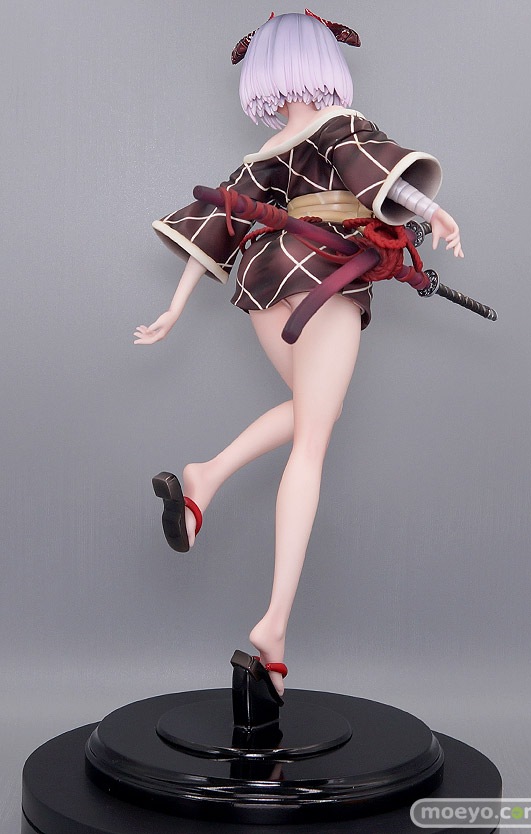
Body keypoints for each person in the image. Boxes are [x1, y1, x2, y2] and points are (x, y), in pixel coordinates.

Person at [134, 12, 463, 697]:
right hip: (324, 276)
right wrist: (432, 212)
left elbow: (220, 220)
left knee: (314, 413)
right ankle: (275, 625)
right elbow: (376, 172)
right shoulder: (340, 123)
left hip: (263, 281)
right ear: (323, 61)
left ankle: (203, 479)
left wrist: (175, 305)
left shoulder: (265, 153)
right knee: (312, 442)